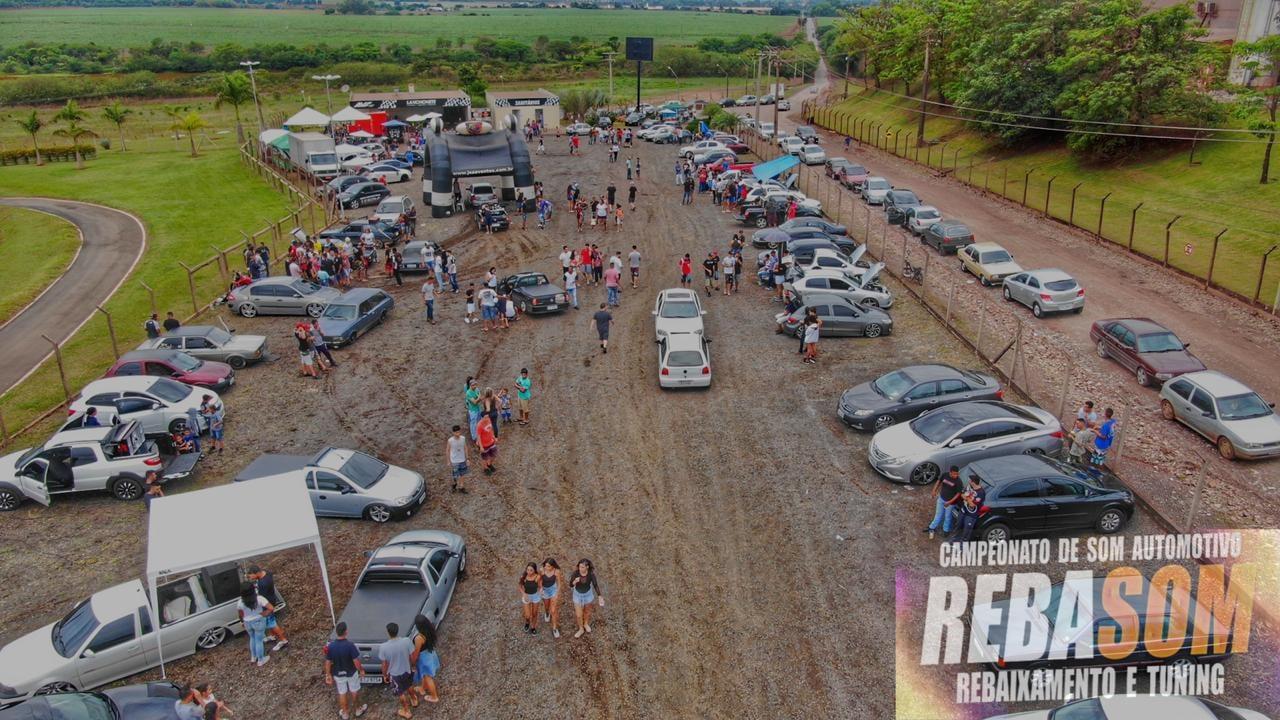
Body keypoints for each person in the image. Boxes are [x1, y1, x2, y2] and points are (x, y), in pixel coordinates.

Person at [325, 622, 368, 720]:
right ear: (346, 632)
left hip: (338, 674)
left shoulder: (331, 646)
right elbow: (356, 661)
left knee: (342, 692)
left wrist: (328, 674)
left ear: (336, 632)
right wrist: (361, 670)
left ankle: (345, 713)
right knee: (354, 690)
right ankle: (358, 709)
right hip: (351, 672)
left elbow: (328, 662)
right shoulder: (350, 645)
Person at [378, 623, 416, 719]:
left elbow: (384, 664)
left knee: (400, 692)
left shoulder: (383, 647)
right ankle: (414, 700)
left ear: (388, 632)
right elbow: (412, 656)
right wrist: (413, 665)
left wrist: (385, 675)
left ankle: (407, 711)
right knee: (409, 685)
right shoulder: (406, 641)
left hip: (395, 674)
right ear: (398, 630)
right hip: (407, 669)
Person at [247, 565, 288, 651]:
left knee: (272, 623)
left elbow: (261, 597)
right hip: (271, 598)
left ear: (257, 573)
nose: (250, 578)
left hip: (268, 604)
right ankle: (272, 636)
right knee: (268, 622)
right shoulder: (266, 573)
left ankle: (283, 640)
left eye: (251, 576)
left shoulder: (263, 584)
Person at [236, 583, 274, 667]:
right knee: (259, 640)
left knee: (252, 638)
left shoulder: (240, 602)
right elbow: (271, 608)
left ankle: (253, 657)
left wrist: (242, 622)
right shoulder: (259, 599)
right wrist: (264, 614)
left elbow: (240, 614)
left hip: (247, 622)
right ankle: (261, 660)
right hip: (258, 621)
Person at [568, 559, 604, 639]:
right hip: (577, 595)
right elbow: (570, 585)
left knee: (587, 611)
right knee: (579, 615)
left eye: (582, 567)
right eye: (580, 567)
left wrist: (600, 596)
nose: (580, 568)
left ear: (587, 567)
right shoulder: (576, 573)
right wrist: (574, 582)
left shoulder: (591, 574)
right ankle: (581, 629)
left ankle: (585, 624)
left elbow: (595, 585)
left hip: (588, 595)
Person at [410, 614, 441, 704]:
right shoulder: (430, 629)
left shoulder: (419, 638)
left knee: (427, 677)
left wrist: (413, 662)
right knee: (424, 675)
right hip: (430, 654)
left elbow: (416, 651)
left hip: (424, 659)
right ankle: (423, 688)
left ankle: (434, 697)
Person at [926, 466, 962, 540]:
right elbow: (938, 481)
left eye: (957, 474)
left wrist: (949, 502)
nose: (956, 475)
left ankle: (946, 530)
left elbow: (958, 494)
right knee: (938, 514)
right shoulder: (945, 475)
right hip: (941, 498)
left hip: (950, 503)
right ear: (950, 472)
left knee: (947, 517)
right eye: (954, 474)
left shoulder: (958, 481)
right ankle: (931, 527)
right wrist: (934, 490)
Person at [951, 474, 986, 543]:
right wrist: (968, 498)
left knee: (967, 530)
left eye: (970, 480)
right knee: (958, 526)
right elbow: (962, 494)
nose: (968, 481)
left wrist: (967, 498)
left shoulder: (981, 492)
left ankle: (962, 545)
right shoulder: (969, 486)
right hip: (963, 510)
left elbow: (972, 505)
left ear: (973, 482)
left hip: (971, 515)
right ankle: (954, 540)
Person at [540, 558, 565, 638]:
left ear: (552, 566)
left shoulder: (556, 571)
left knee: (553, 610)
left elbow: (559, 583)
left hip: (553, 590)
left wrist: (557, 593)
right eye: (546, 566)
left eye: (548, 566)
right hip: (545, 590)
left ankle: (554, 628)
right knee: (547, 607)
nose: (546, 568)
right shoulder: (542, 570)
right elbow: (539, 580)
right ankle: (547, 613)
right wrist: (540, 588)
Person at [446, 425, 469, 493]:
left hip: (462, 459)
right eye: (456, 432)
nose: (457, 434)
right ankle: (454, 484)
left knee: (462, 474)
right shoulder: (450, 440)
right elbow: (447, 450)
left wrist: (467, 458)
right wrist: (448, 461)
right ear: (453, 433)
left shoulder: (463, 438)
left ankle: (461, 487)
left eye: (458, 432)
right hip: (454, 461)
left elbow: (465, 448)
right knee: (455, 475)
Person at [520, 562, 542, 634]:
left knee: (534, 613)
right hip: (526, 596)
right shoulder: (523, 576)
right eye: (528, 570)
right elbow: (520, 586)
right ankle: (527, 622)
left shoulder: (537, 577)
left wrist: (541, 590)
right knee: (527, 615)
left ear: (534, 570)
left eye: (531, 570)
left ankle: (533, 627)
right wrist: (524, 594)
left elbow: (540, 586)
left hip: (535, 596)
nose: (529, 572)